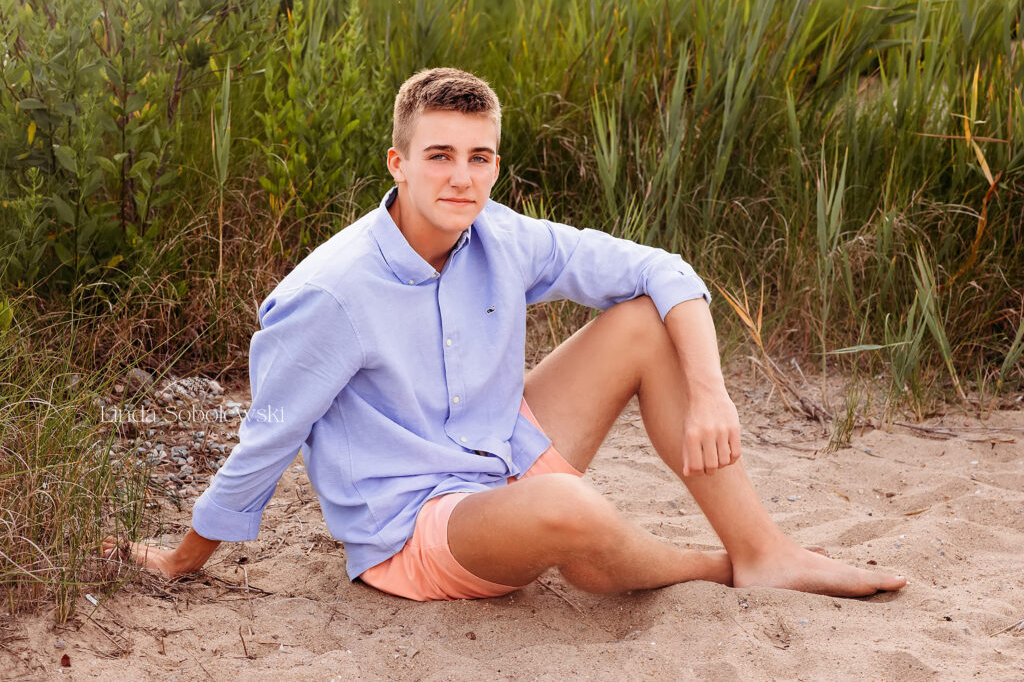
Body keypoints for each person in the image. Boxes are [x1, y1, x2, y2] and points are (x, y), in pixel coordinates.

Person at [103, 68, 906, 600]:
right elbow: (265, 440)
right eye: (441, 155)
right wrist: (180, 558)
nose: (462, 176)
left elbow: (663, 267)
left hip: (502, 451)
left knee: (641, 324)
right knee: (567, 505)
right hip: (415, 526)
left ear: (495, 162)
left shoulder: (501, 234)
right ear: (399, 161)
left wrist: (709, 389)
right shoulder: (330, 293)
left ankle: (763, 548)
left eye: (479, 157)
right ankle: (718, 568)